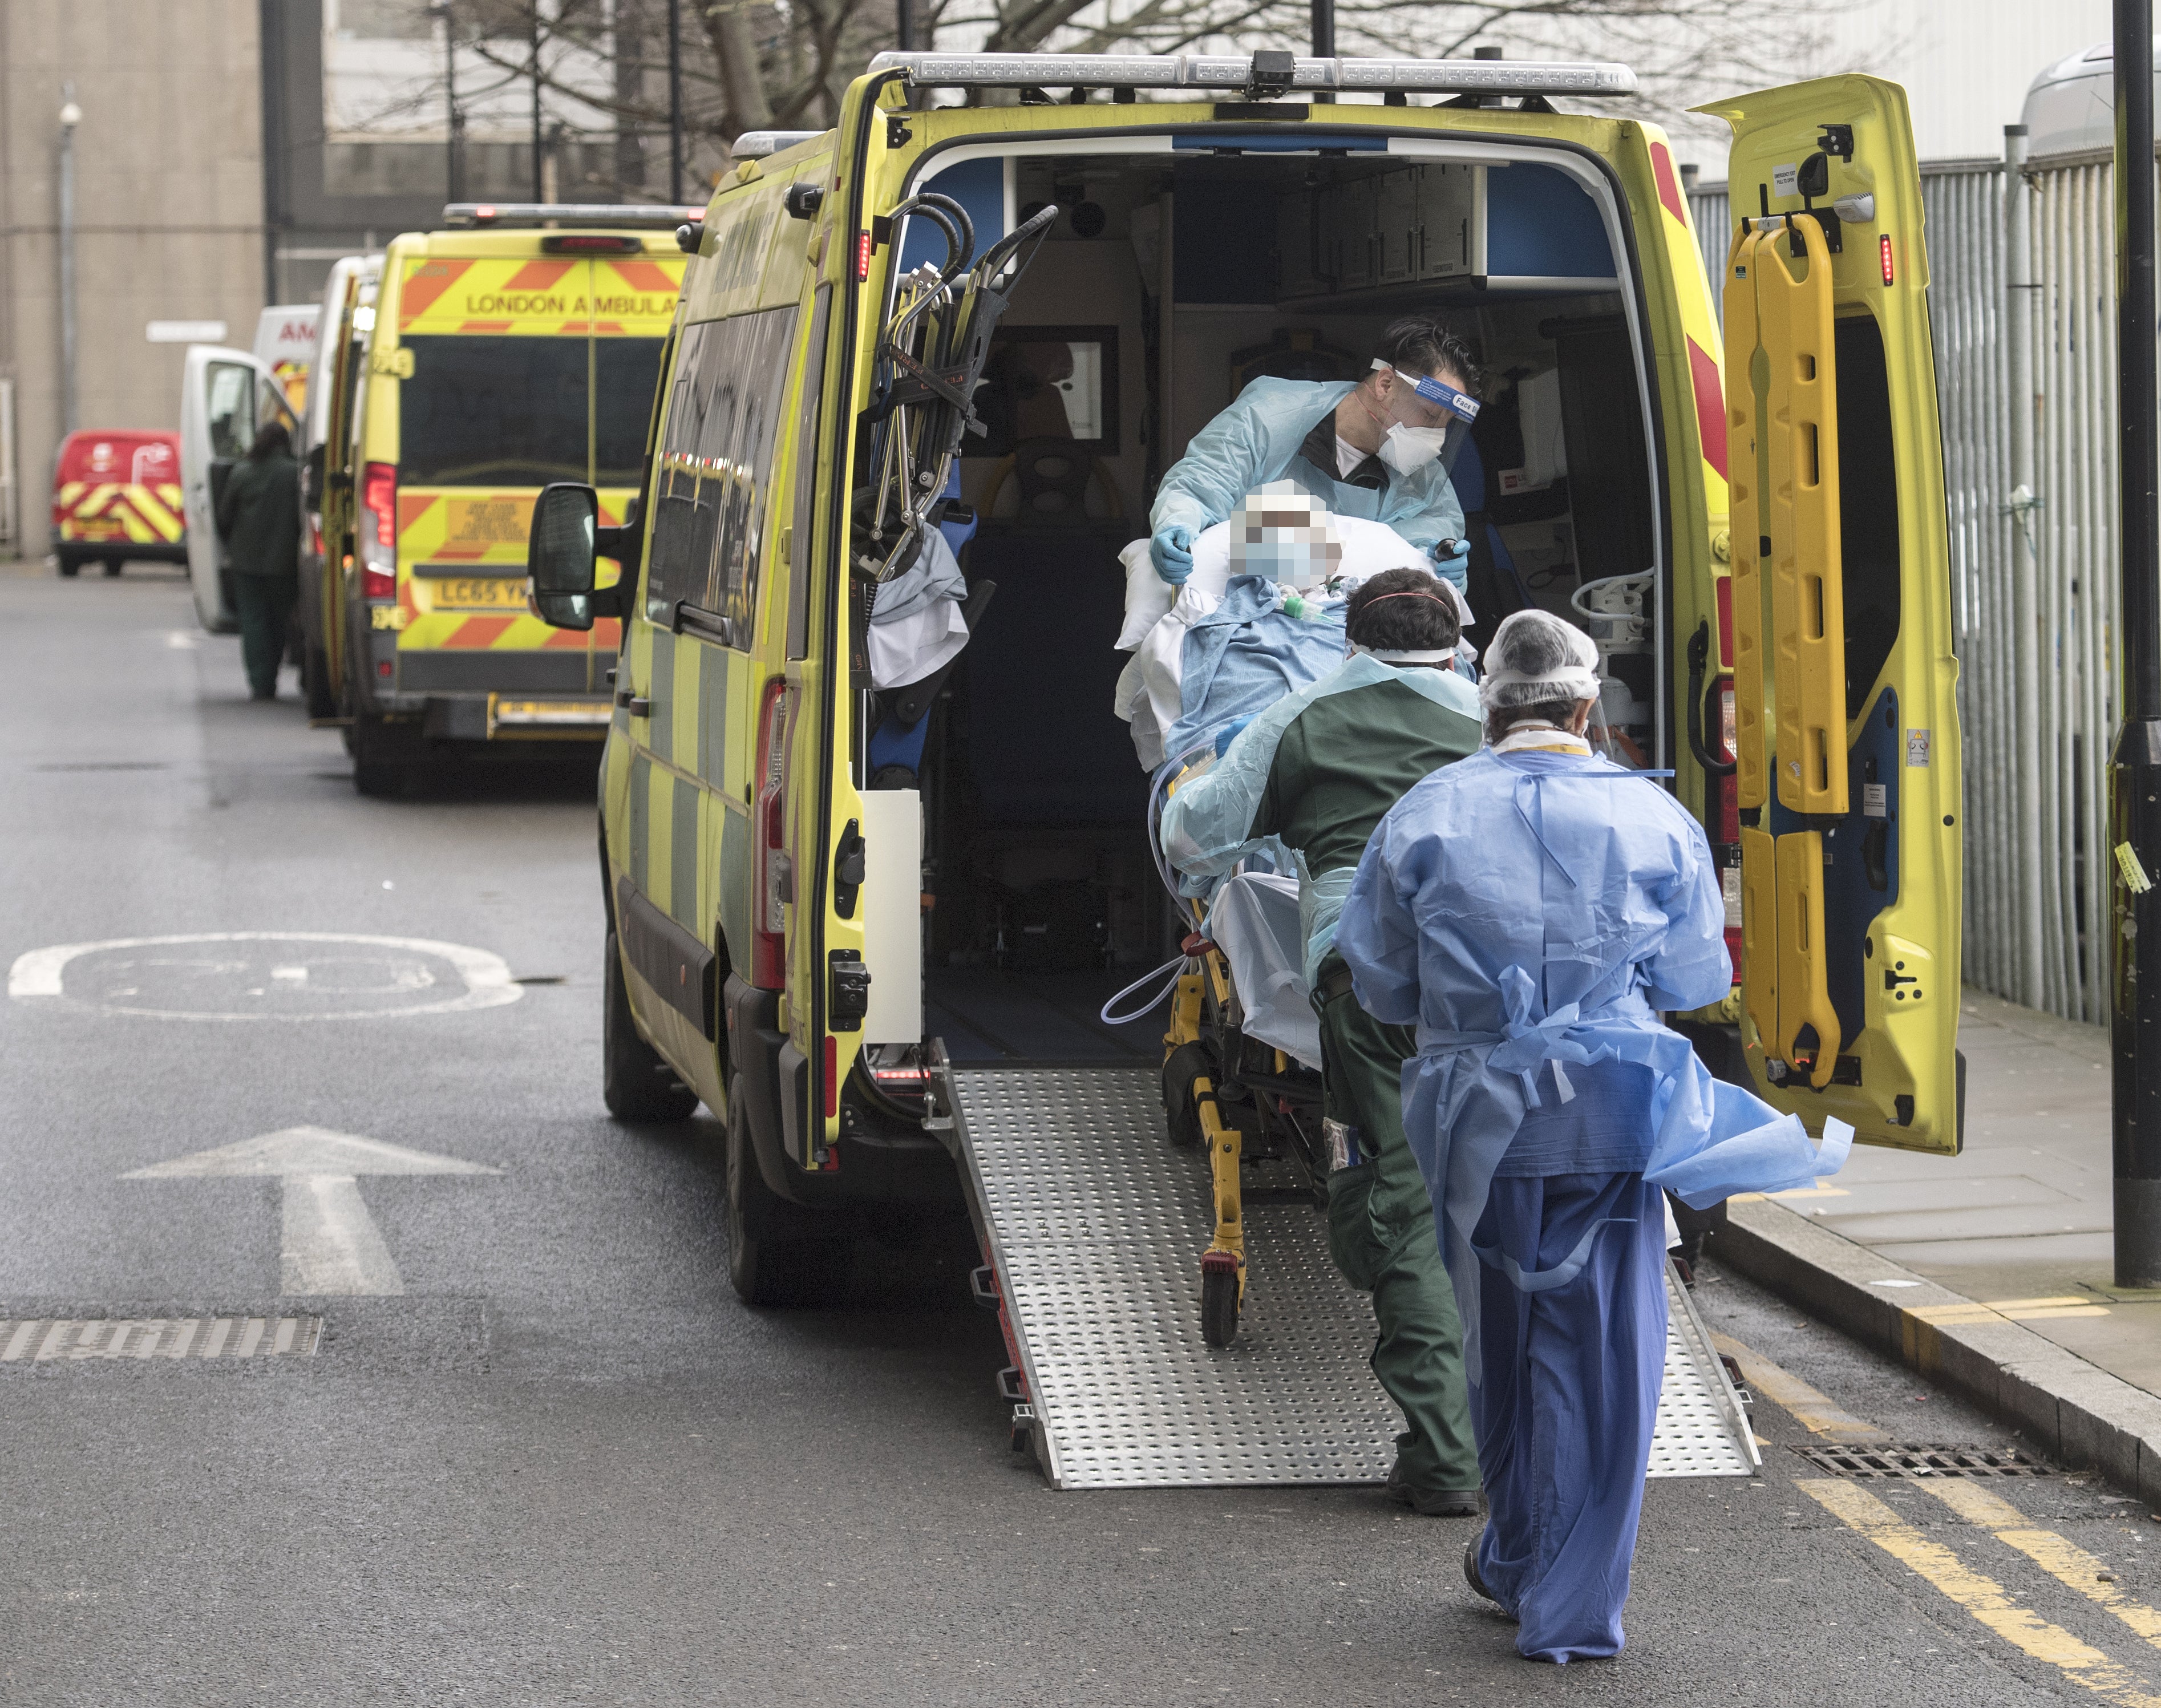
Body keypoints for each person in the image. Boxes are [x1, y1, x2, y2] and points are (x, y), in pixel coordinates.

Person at [1334, 608, 1853, 1664]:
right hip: (1611, 1102)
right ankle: (1563, 1602)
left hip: (1472, 1115)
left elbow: (1380, 978)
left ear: (1485, 709)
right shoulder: (1652, 817)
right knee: (1602, 1352)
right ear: (1584, 705)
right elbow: (1696, 979)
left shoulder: (1422, 812)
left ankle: (1517, 1552)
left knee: (1498, 1345)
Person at [1159, 566, 1486, 1516]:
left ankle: (1441, 1458)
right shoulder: (1489, 721)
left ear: (1348, 638)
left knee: (1399, 1194)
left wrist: (1191, 786)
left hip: (1373, 979)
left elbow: (1197, 834)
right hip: (1506, 983)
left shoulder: (1296, 716)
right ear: (1454, 641)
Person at [1149, 317, 1482, 595]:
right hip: (1248, 612)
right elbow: (1200, 484)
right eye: (1428, 414)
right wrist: (1178, 522)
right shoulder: (1267, 420)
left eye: (1445, 426)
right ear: (1385, 383)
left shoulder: (1423, 475)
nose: (1434, 440)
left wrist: (1441, 562)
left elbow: (1432, 533)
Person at [215, 420, 302, 701]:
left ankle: (260, 682)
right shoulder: (295, 474)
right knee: (278, 621)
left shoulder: (242, 472)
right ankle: (272, 675)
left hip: (246, 564)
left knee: (253, 623)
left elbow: (224, 517)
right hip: (284, 564)